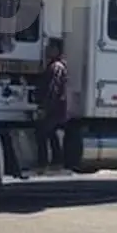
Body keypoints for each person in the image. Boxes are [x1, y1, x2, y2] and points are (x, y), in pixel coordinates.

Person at [35, 39, 68, 170]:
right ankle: (57, 160)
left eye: (50, 47)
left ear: (57, 50)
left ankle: (43, 162)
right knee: (51, 133)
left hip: (54, 108)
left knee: (41, 132)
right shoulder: (55, 66)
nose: (47, 49)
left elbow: (53, 90)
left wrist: (45, 107)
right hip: (56, 108)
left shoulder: (56, 67)